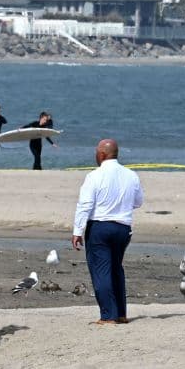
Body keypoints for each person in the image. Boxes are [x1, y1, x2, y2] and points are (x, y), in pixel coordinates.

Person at [71, 139, 144, 325]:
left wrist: (77, 230)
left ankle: (108, 315)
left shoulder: (95, 176)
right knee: (116, 268)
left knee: (101, 270)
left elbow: (85, 205)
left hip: (101, 227)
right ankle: (120, 313)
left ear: (102, 154)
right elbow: (138, 202)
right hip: (123, 227)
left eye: (97, 152)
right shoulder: (131, 175)